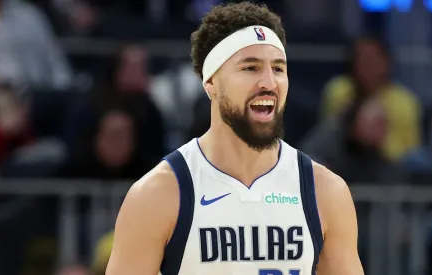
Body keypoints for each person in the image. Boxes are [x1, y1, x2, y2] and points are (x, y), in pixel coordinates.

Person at [106, 2, 364, 275]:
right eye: (250, 68)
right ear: (211, 82)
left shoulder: (324, 192)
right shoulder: (158, 194)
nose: (269, 82)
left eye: (278, 69)